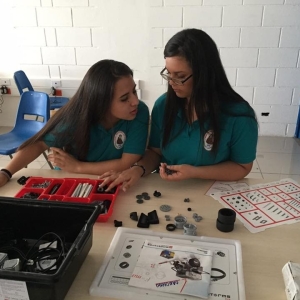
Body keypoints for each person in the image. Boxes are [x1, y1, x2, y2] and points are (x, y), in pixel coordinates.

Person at [99, 28, 258, 191]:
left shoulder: (238, 115)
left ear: (205, 73)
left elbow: (242, 167)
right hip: (171, 190)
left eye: (180, 76)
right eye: (169, 73)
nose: (171, 82)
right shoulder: (164, 105)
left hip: (215, 191)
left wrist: (194, 172)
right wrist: (138, 169)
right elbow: (155, 152)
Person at [0, 59, 149, 188]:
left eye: (134, 91)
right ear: (100, 102)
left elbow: (126, 163)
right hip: (71, 180)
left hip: (106, 180)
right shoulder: (76, 117)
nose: (135, 101)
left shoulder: (138, 112)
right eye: (124, 98)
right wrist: (6, 173)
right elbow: (39, 144)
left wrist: (77, 166)